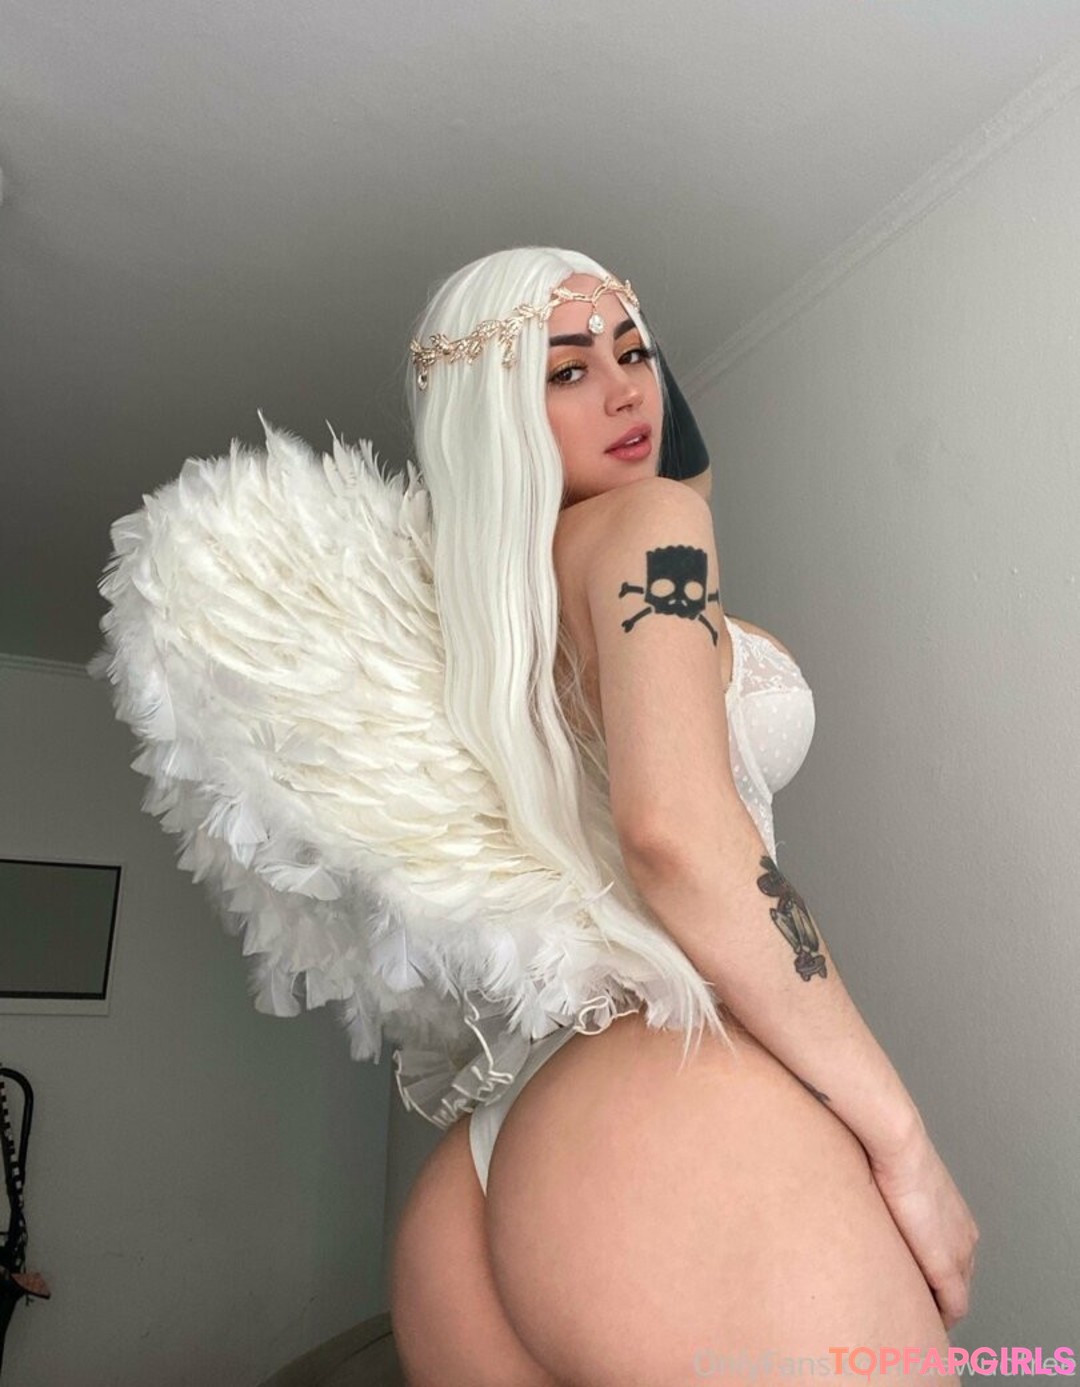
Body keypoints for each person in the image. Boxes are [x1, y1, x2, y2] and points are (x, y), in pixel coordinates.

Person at [387, 246, 978, 1387]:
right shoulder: (648, 527)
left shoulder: (508, 606)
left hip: (484, 1178)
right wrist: (906, 1144)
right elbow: (676, 833)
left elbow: (672, 467)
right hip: (670, 1099)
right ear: (494, 411)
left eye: (636, 353)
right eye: (566, 371)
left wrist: (612, 381)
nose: (625, 392)